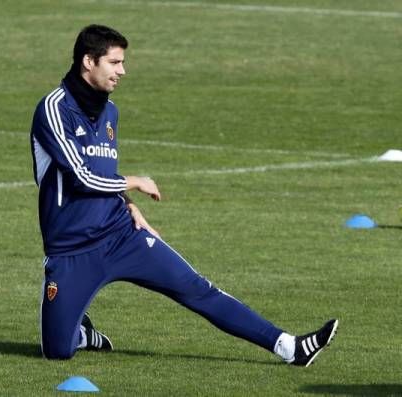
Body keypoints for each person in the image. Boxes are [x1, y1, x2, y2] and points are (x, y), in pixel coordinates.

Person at [29, 24, 338, 366]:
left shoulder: (110, 112)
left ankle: (289, 347)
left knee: (196, 288)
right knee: (57, 352)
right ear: (89, 61)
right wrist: (136, 181)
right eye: (115, 62)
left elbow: (101, 172)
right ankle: (81, 332)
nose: (123, 71)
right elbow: (79, 176)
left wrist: (130, 207)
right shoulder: (53, 108)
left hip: (121, 235)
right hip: (72, 250)